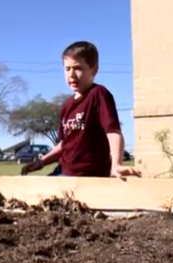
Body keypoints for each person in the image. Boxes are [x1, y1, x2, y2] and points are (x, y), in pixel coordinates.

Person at [21, 41, 140, 179]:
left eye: (77, 68)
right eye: (67, 69)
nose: (71, 75)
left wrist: (116, 164)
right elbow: (65, 144)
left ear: (94, 69)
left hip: (88, 175)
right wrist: (42, 162)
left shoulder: (98, 94)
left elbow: (113, 132)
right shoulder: (67, 105)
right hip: (63, 171)